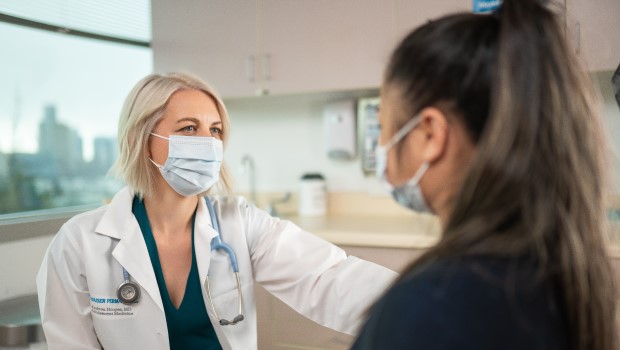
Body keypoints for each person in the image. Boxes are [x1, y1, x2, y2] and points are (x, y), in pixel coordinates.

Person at [36, 72, 397, 350]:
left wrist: (431, 301)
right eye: (189, 128)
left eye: (216, 130)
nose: (208, 144)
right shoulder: (79, 242)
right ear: (142, 139)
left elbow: (329, 278)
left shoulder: (240, 224)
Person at [352, 0, 618, 349]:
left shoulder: (431, 305)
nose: (383, 145)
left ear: (431, 134)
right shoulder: (556, 270)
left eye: (384, 126)